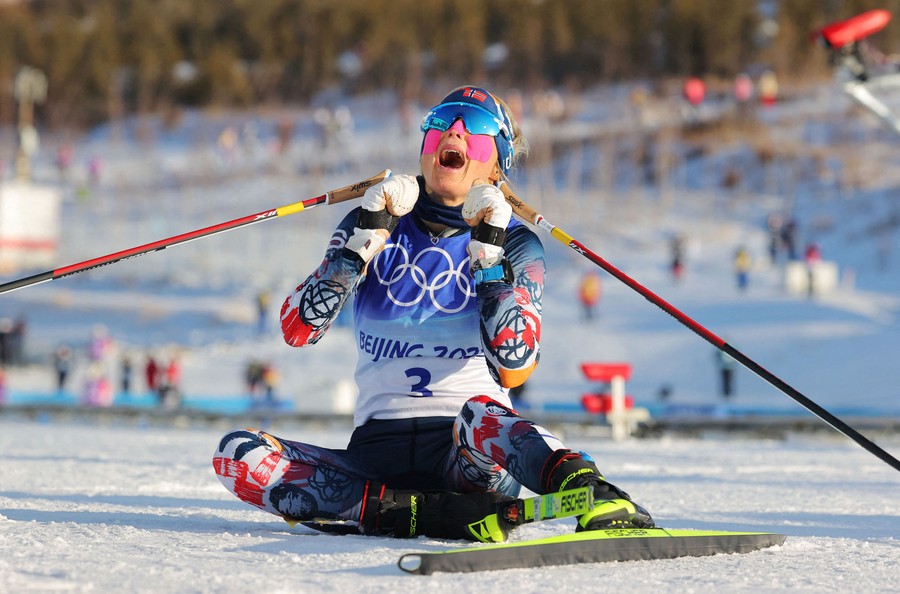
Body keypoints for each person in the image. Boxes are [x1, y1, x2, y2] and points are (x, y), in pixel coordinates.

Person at [213, 85, 654, 543]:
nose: (456, 131)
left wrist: (488, 264)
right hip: (375, 459)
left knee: (480, 413)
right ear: (426, 145)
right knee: (237, 454)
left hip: (471, 453)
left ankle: (593, 492)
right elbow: (296, 330)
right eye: (441, 121)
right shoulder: (373, 219)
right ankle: (416, 513)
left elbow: (516, 367)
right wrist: (360, 246)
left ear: (495, 164)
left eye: (476, 129)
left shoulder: (518, 245)